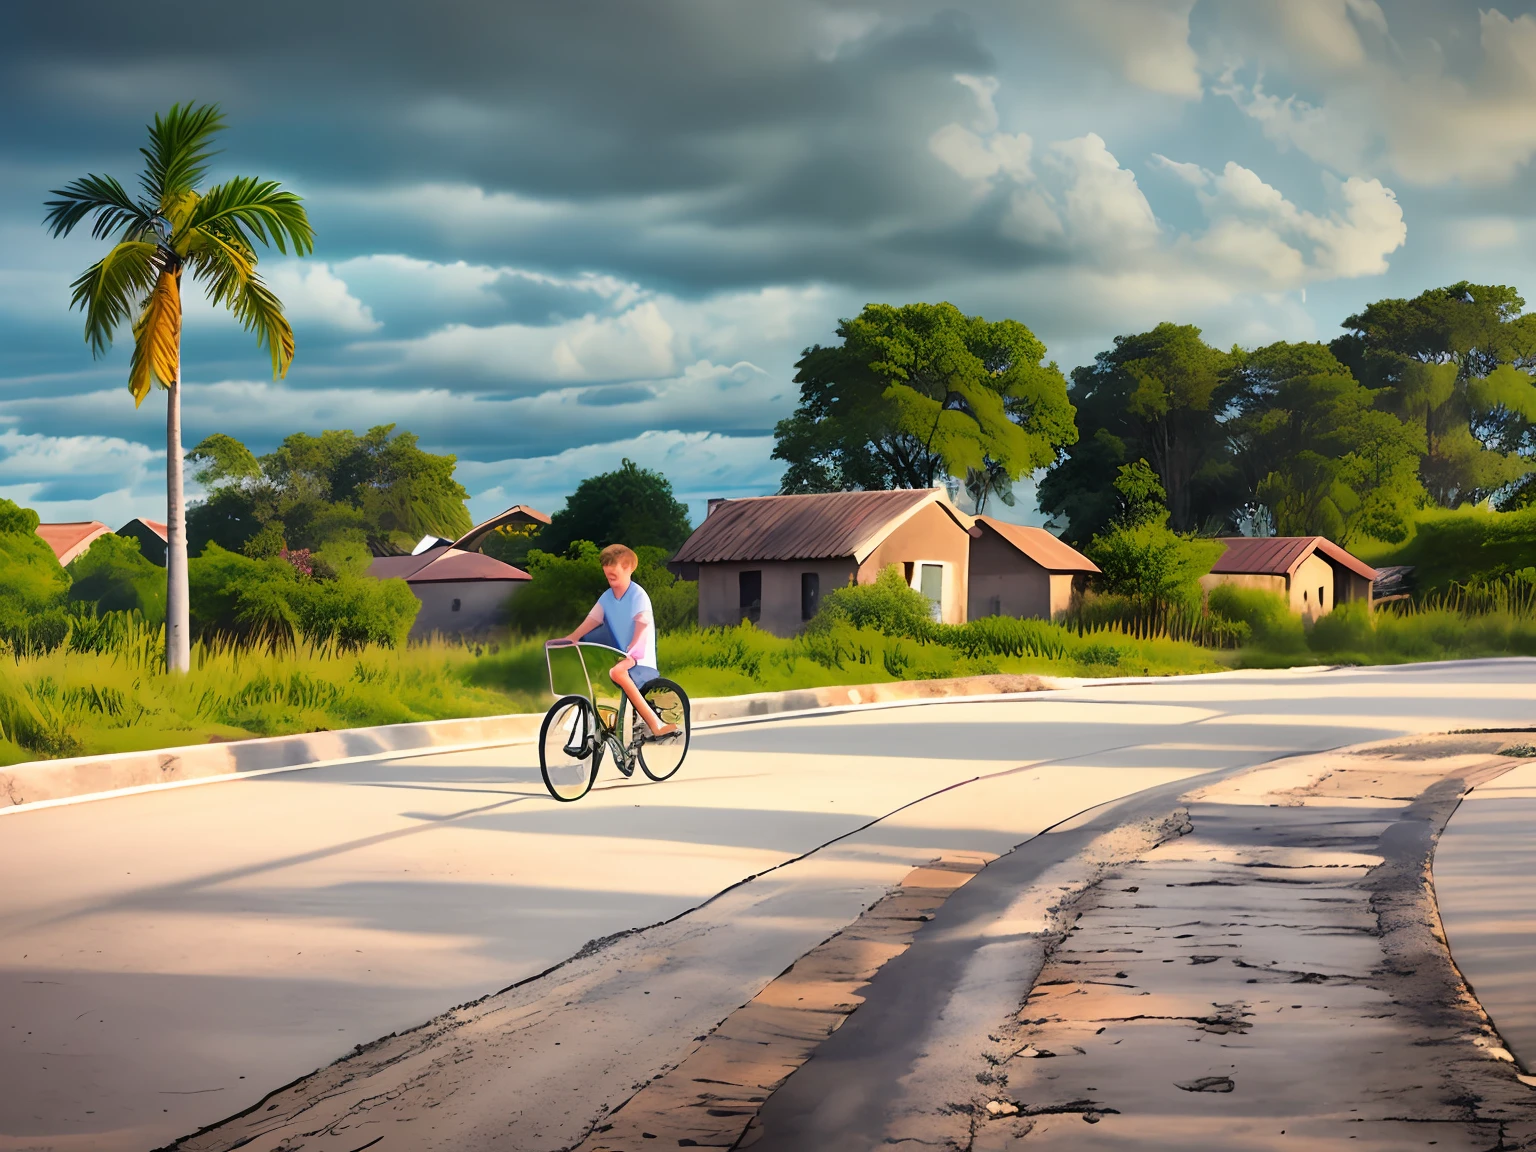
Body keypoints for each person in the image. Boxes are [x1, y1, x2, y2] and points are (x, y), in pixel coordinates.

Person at [561, 544, 679, 740]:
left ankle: (656, 725)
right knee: (589, 675)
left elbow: (642, 627)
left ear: (628, 568)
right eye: (606, 566)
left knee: (617, 672)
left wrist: (632, 652)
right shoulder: (606, 597)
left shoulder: (637, 595)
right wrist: (571, 638)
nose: (609, 570)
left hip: (639, 661)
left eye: (614, 565)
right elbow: (593, 620)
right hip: (617, 657)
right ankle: (587, 728)